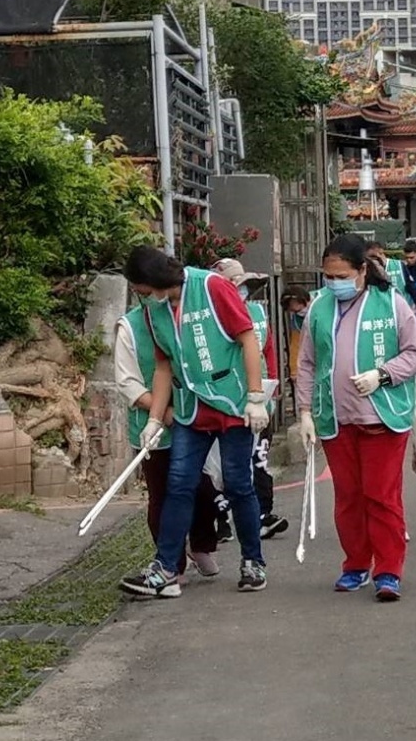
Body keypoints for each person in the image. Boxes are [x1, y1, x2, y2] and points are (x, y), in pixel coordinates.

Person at [118, 245, 270, 598]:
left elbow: (246, 336)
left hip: (232, 403)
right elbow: (162, 366)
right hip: (191, 408)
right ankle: (166, 569)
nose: (141, 297)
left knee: (237, 484)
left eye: (142, 289)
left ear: (155, 280)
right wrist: (154, 419)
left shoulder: (212, 286)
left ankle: (253, 561)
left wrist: (255, 395)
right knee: (179, 484)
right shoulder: (154, 310)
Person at [295, 234, 416, 600]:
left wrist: (382, 375)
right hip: (336, 419)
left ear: (362, 271)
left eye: (341, 275)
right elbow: (307, 362)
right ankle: (355, 564)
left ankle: (389, 570)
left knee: (381, 496)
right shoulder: (319, 308)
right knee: (348, 496)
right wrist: (305, 411)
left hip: (382, 418)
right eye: (328, 275)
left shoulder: (391, 304)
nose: (334, 282)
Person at [115, 305, 221, 583]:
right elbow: (128, 383)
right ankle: (172, 563)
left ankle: (201, 545)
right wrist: (163, 412)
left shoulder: (188, 313)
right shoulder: (129, 327)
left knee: (203, 489)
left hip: (195, 422)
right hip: (154, 428)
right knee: (162, 495)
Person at [210, 258, 287, 540]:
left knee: (259, 459)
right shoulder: (210, 316)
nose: (241, 290)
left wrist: (272, 387)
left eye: (243, 285)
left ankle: (263, 514)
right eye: (235, 284)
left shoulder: (257, 312)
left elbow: (267, 350)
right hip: (225, 399)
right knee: (222, 466)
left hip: (259, 397)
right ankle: (222, 519)